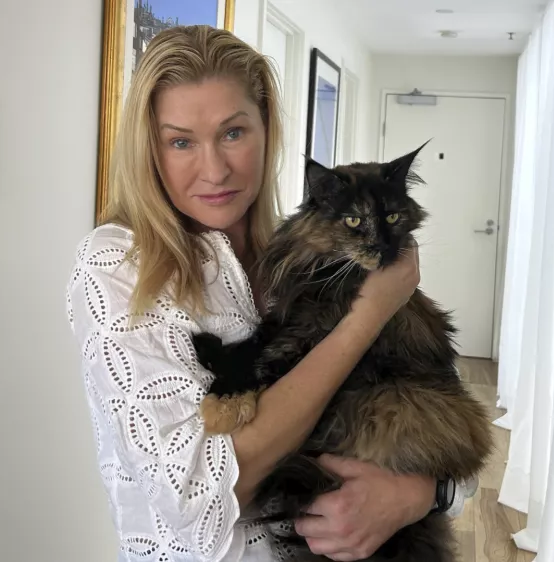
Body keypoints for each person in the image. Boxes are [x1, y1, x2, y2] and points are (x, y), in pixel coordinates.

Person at [66, 25, 473, 562]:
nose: (214, 169)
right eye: (181, 140)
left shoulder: (309, 251)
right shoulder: (118, 266)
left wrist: (419, 494)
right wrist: (367, 317)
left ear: (266, 128)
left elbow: (445, 418)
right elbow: (196, 497)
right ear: (150, 149)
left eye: (233, 133)